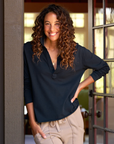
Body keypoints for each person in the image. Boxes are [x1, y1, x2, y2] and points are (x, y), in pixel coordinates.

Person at [24, 4, 110, 144]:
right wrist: (32, 123)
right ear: (41, 25)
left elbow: (103, 67)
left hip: (72, 122)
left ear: (64, 26)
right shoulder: (29, 50)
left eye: (57, 24)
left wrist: (80, 87)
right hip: (45, 125)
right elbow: (27, 86)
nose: (52, 29)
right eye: (47, 24)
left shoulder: (76, 51)